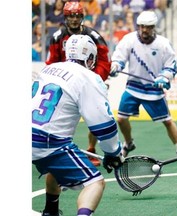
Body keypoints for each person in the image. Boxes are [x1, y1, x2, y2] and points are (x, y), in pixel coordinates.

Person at [32, 34, 124, 216]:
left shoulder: (50, 69)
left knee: (55, 166)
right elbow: (103, 125)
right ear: (90, 58)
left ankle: (50, 211)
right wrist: (113, 152)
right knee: (95, 182)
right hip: (48, 141)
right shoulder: (89, 77)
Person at [109, 10, 177, 159]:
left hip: (153, 90)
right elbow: (119, 57)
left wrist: (164, 77)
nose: (144, 30)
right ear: (138, 26)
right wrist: (116, 66)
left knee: (167, 121)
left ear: (154, 27)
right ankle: (129, 143)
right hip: (134, 87)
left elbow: (171, 66)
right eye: (142, 26)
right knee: (121, 118)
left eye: (148, 27)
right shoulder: (129, 40)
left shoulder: (163, 43)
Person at [46, 1, 111, 166]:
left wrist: (95, 80)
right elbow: (52, 62)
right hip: (65, 86)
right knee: (60, 119)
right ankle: (57, 151)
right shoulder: (57, 37)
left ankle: (91, 150)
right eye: (70, 16)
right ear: (65, 17)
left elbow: (104, 61)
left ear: (82, 17)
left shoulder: (94, 36)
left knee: (94, 118)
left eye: (77, 16)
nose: (74, 19)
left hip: (89, 84)